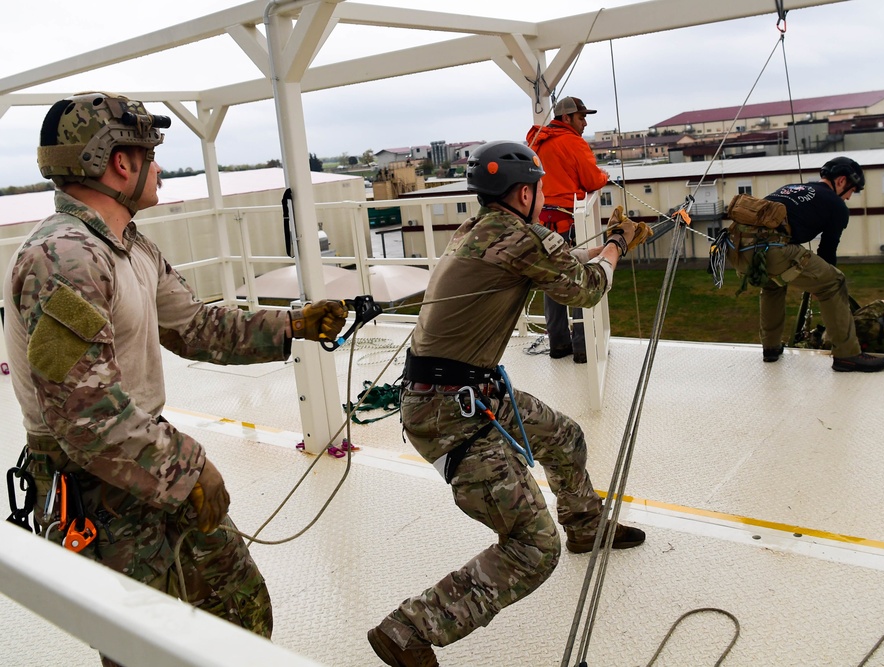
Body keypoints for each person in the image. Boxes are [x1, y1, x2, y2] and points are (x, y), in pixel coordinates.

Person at [2, 92, 348, 666]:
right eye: (149, 154)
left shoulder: (127, 247)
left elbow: (197, 326)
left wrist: (293, 324)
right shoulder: (63, 258)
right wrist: (189, 467)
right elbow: (84, 418)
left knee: (238, 610)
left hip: (146, 458)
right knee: (143, 648)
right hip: (94, 486)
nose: (157, 166)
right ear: (119, 162)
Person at [367, 141, 650, 667]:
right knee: (533, 549)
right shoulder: (519, 236)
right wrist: (615, 244)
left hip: (460, 392)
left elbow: (557, 261)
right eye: (539, 191)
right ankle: (409, 629)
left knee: (564, 436)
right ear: (526, 192)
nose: (542, 199)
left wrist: (602, 248)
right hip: (454, 410)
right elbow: (586, 289)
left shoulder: (481, 232)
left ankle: (585, 525)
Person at [725, 157, 884, 372]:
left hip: (736, 247)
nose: (849, 196)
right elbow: (827, 251)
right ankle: (847, 355)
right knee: (834, 281)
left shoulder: (790, 187)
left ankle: (771, 348)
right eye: (852, 190)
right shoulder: (837, 205)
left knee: (773, 283)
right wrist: (821, 283)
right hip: (770, 251)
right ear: (841, 181)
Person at [527, 96, 609, 363]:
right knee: (576, 278)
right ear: (567, 118)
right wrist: (605, 176)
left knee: (552, 280)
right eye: (581, 117)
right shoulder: (573, 142)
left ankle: (559, 344)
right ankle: (583, 348)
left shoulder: (537, 140)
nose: (584, 123)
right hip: (566, 222)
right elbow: (592, 179)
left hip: (540, 223)